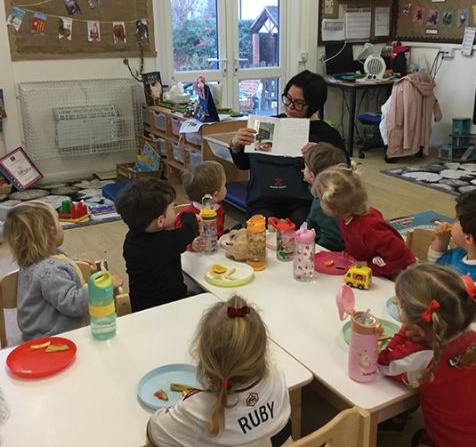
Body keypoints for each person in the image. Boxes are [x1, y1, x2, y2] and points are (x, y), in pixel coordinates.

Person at [378, 264, 476, 447]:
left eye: (401, 306)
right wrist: (414, 328)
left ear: (418, 328)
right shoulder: (475, 338)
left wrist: (405, 332)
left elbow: (382, 362)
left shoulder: (419, 358)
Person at [147, 295, 292, 446]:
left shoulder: (197, 410)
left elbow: (154, 430)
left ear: (203, 356)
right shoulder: (276, 378)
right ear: (261, 351)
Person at [229, 70, 349, 228]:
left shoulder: (326, 133)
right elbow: (244, 164)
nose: (290, 106)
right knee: (262, 227)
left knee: (303, 227)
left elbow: (344, 172)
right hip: (264, 199)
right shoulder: (269, 124)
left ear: (313, 105)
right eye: (288, 99)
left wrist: (323, 156)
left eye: (299, 103)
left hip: (304, 200)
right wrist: (235, 146)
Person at [4, 201, 119, 341]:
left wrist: (76, 263)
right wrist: (101, 288)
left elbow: (61, 263)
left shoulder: (36, 258)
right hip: (52, 339)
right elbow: (73, 304)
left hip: (39, 334)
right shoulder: (50, 271)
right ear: (52, 232)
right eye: (58, 223)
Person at [312, 164, 415, 277]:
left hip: (395, 274)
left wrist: (369, 265)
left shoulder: (369, 226)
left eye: (320, 199)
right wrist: (350, 254)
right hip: (370, 269)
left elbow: (398, 254)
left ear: (335, 206)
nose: (318, 202)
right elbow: (358, 242)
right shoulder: (345, 217)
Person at [115, 178, 199, 312]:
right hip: (167, 307)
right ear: (160, 221)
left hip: (140, 304)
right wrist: (188, 215)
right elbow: (188, 231)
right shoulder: (163, 243)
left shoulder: (131, 239)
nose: (175, 210)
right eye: (173, 208)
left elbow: (174, 247)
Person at [428, 190, 476, 333]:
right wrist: (442, 240)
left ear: (468, 238)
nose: (451, 222)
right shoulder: (457, 254)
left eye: (456, 220)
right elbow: (433, 264)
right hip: (450, 328)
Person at [303, 142, 347, 251]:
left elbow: (332, 239)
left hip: (323, 252)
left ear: (312, 175)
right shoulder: (338, 192)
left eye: (305, 167)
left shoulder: (324, 203)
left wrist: (313, 250)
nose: (303, 170)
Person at [175, 161, 227, 247]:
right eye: (224, 185)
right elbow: (178, 241)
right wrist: (192, 245)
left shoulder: (218, 208)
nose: (226, 188)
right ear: (215, 195)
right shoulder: (187, 216)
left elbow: (219, 234)